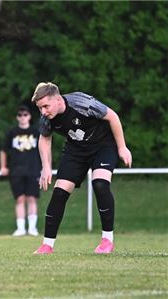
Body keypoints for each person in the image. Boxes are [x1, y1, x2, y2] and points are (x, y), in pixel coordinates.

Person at [31, 82, 132, 255]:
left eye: (45, 106)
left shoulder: (82, 103)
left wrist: (122, 147)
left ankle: (107, 240)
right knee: (59, 193)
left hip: (103, 146)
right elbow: (45, 139)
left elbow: (112, 116)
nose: (43, 112)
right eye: (40, 108)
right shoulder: (47, 117)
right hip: (75, 151)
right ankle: (47, 245)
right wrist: (46, 167)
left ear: (57, 99)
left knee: (100, 184)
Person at [0, 105, 41, 237]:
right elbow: (3, 151)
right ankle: (21, 228)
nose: (22, 117)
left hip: (33, 169)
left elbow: (44, 149)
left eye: (25, 115)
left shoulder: (36, 132)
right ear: (17, 117)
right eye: (20, 115)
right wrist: (3, 166)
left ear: (29, 116)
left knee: (32, 198)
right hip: (16, 170)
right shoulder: (12, 133)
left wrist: (45, 167)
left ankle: (33, 228)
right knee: (20, 199)